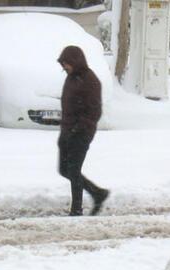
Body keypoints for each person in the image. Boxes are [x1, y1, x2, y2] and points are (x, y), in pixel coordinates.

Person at [57, 45, 109, 216]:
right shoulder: (71, 78)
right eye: (63, 64)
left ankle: (76, 210)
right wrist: (64, 133)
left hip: (81, 134)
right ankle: (98, 193)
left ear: (75, 61)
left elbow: (94, 112)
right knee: (64, 169)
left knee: (73, 170)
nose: (64, 67)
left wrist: (78, 130)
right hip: (68, 132)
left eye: (66, 63)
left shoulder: (90, 81)